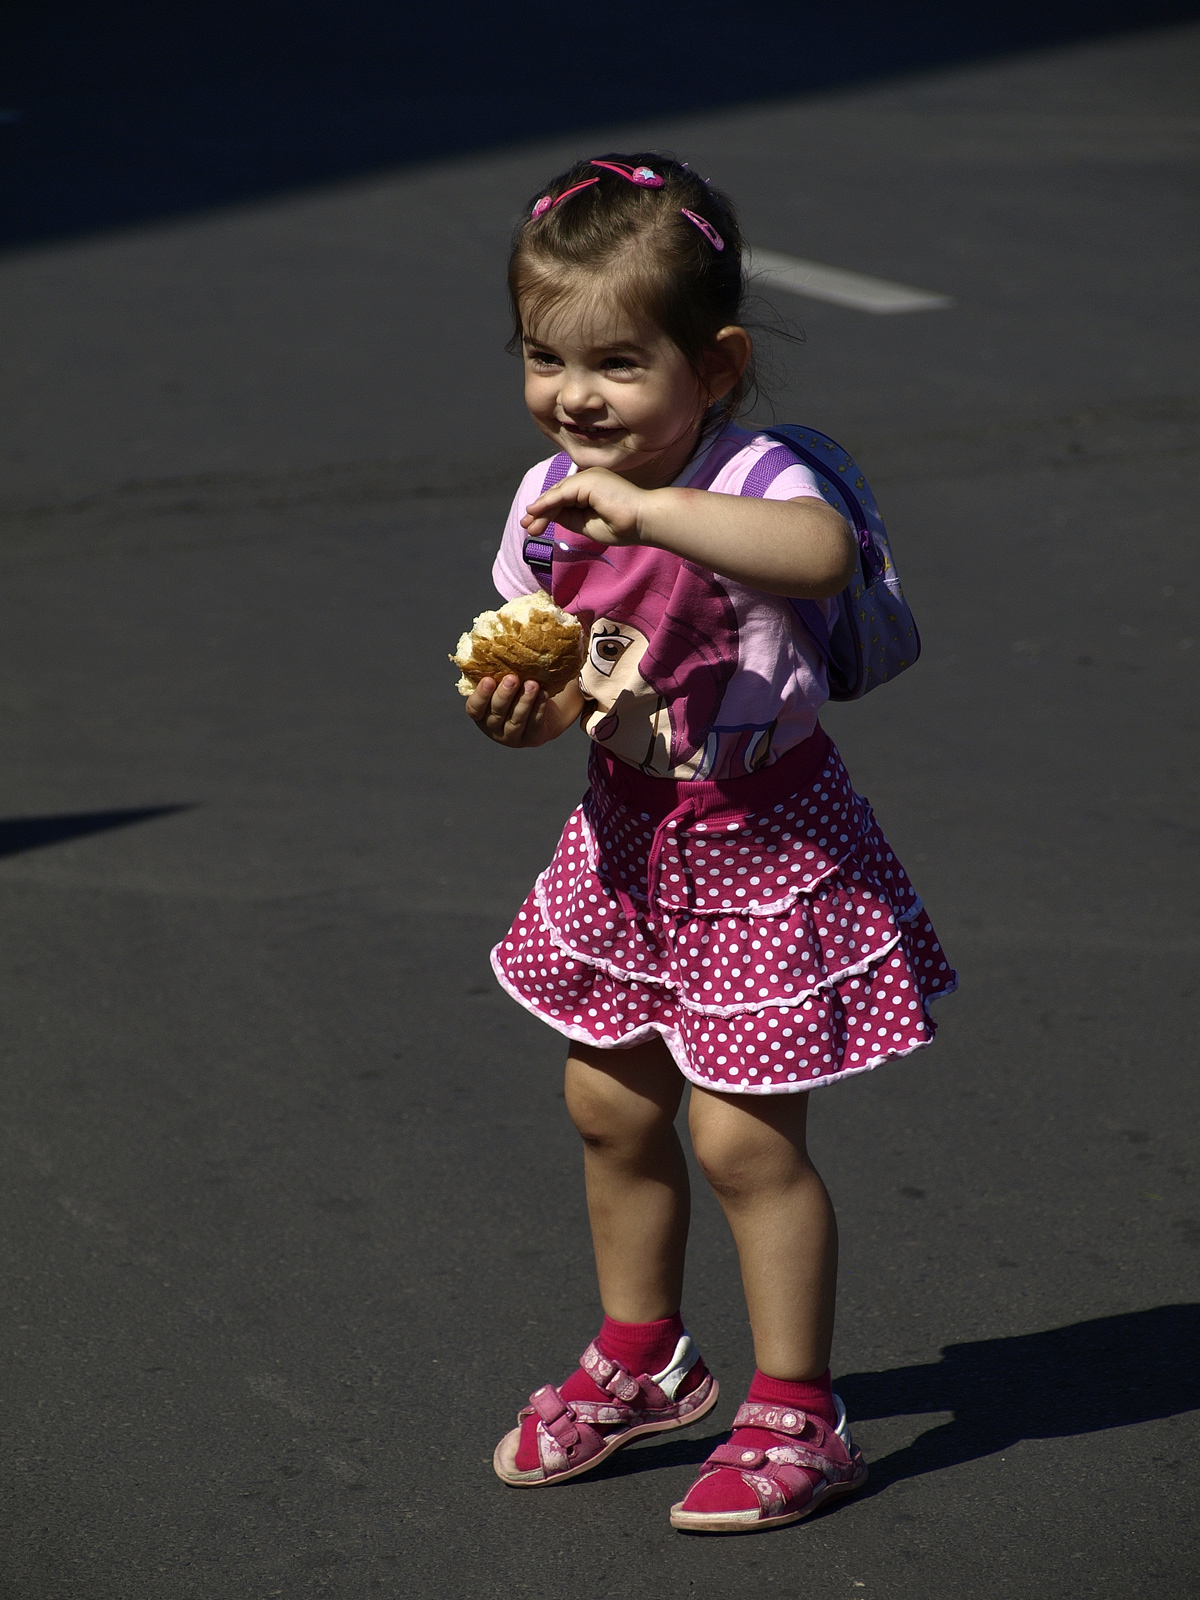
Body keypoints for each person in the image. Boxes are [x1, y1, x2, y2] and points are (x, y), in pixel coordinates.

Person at [464, 153, 956, 1534]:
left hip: (762, 852)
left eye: (617, 363)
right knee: (608, 1108)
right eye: (545, 357)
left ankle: (800, 1410)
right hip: (627, 846)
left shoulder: (754, 473)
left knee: (745, 1144)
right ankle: (643, 1360)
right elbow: (558, 672)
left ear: (718, 363)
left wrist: (648, 509)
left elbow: (815, 560)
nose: (575, 396)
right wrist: (525, 712)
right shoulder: (546, 499)